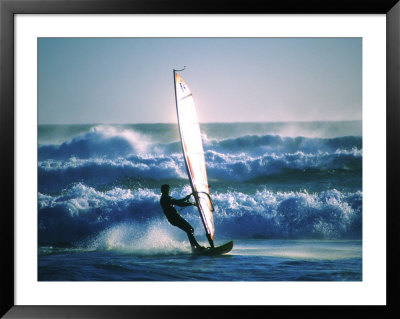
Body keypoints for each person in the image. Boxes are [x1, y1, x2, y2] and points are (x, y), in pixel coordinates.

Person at [160, 184, 205, 251]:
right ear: (162, 191)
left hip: (174, 218)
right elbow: (179, 203)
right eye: (166, 190)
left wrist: (186, 199)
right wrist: (191, 203)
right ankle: (197, 247)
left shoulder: (166, 198)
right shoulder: (165, 198)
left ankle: (194, 248)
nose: (167, 191)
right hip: (174, 219)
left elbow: (178, 202)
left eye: (168, 190)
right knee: (190, 229)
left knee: (189, 230)